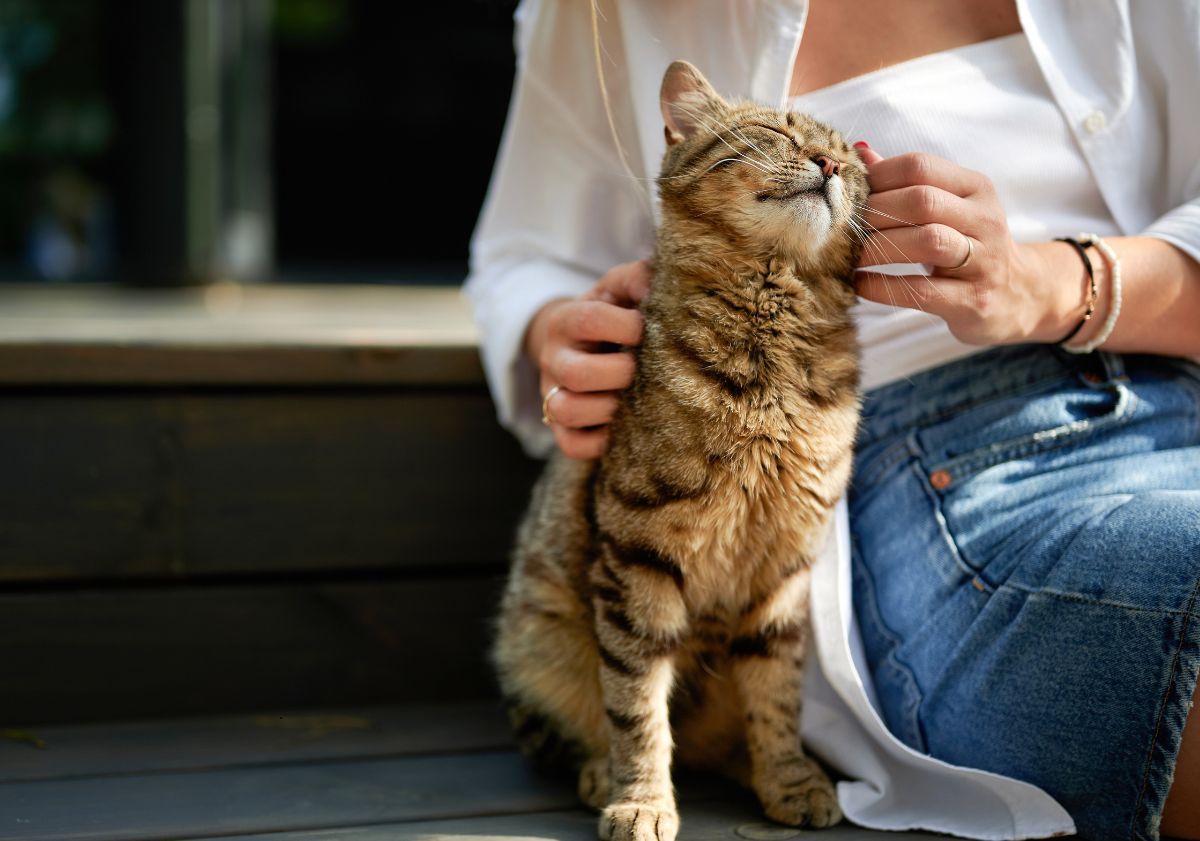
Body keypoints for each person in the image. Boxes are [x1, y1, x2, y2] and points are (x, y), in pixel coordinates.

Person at [465, 1, 1200, 838]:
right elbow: (523, 257)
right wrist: (555, 332)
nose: (818, 156)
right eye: (785, 139)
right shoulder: (597, 15)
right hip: (937, 470)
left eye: (834, 153)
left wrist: (1055, 282)